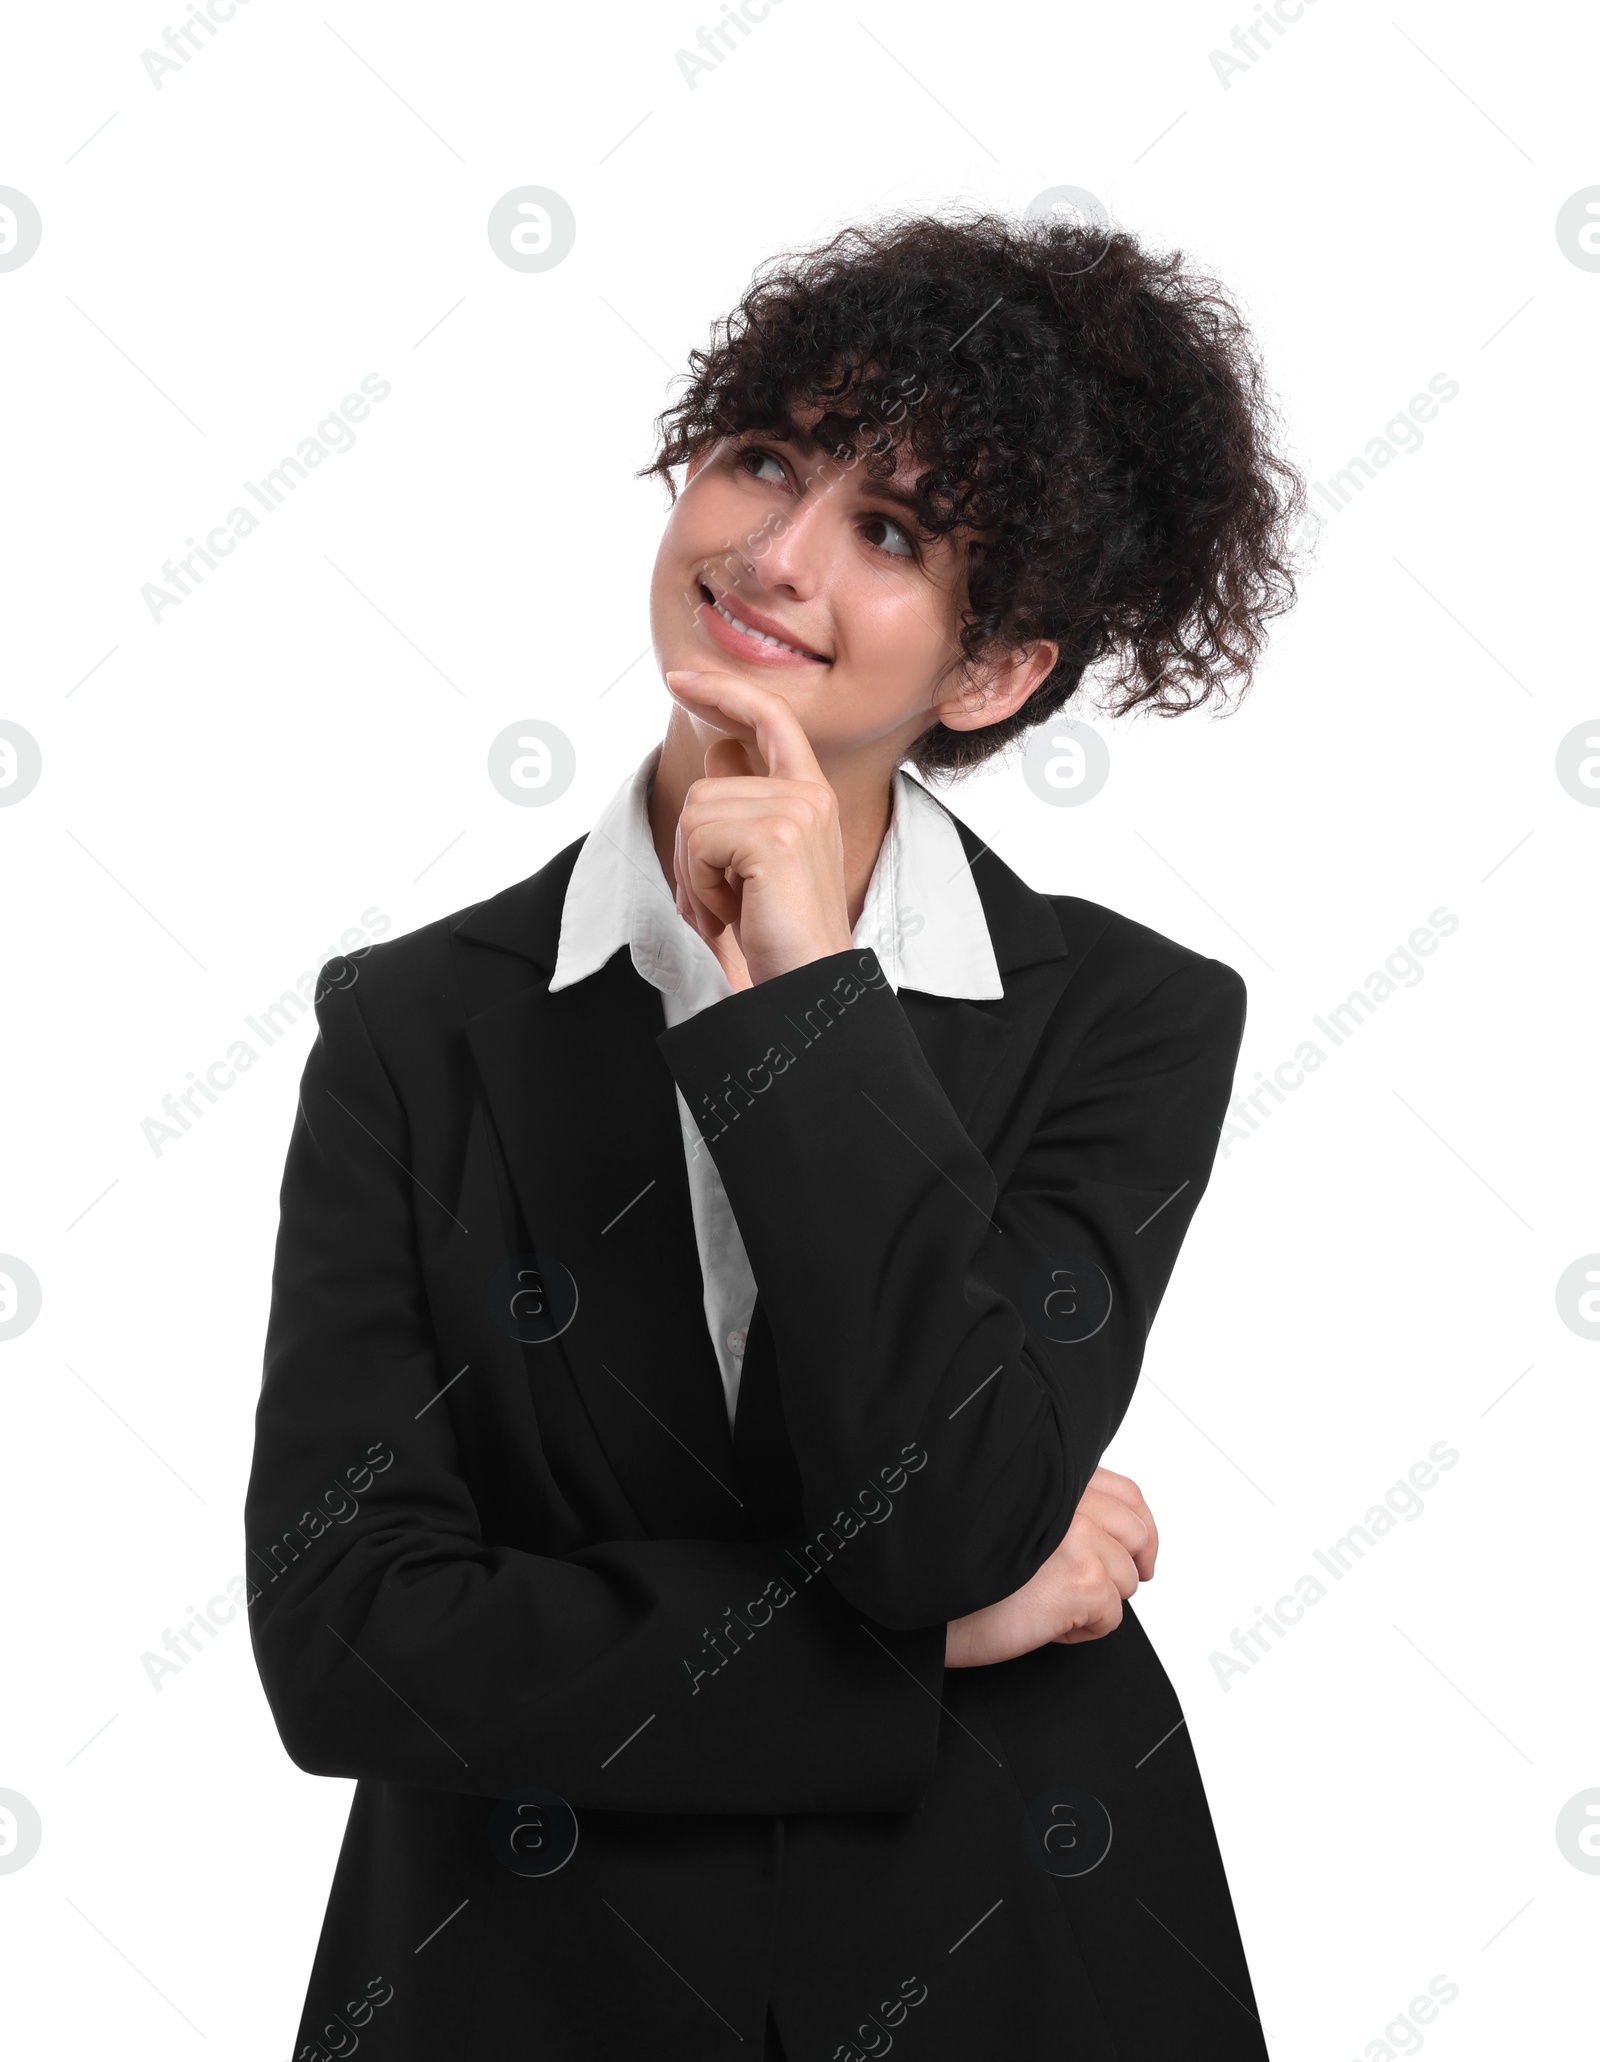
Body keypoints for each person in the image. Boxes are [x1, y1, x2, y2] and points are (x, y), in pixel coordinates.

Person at [245, 208, 1301, 2061]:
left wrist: (801, 991)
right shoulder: (409, 1026)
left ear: (992, 672)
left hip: (1018, 1964)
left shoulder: (1127, 1021)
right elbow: (346, 1636)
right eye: (763, 457)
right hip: (523, 1990)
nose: (776, 551)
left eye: (890, 531)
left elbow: (946, 1510)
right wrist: (928, 1649)